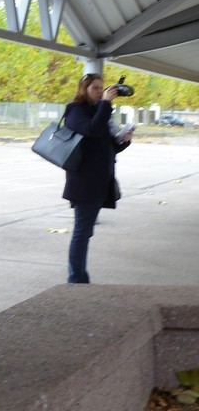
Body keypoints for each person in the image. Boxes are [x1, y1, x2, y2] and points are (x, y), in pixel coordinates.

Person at [63, 72, 133, 284]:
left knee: (85, 232)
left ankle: (78, 277)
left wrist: (124, 140)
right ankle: (77, 279)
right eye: (95, 87)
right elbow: (91, 130)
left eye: (101, 87)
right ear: (83, 89)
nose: (100, 91)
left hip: (100, 181)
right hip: (84, 182)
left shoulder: (99, 111)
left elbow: (108, 148)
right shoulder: (75, 110)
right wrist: (105, 104)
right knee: (82, 232)